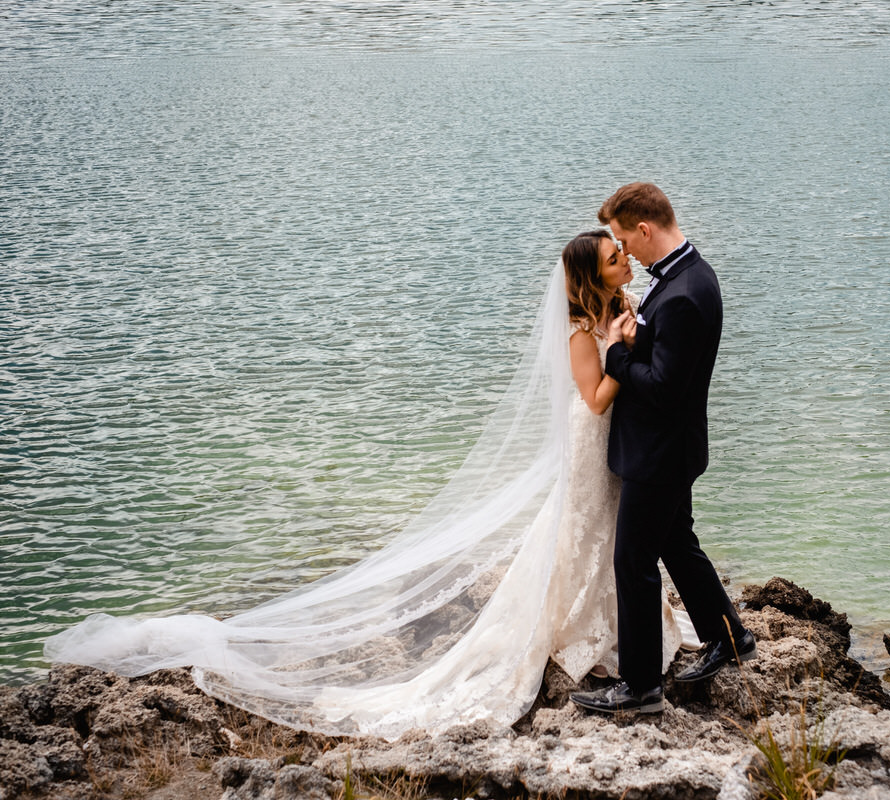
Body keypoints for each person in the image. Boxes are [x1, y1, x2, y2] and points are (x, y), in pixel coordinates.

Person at [44, 226, 693, 738]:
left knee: (611, 541)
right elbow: (598, 400)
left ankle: (621, 639)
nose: (624, 261)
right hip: (592, 446)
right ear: (592, 275)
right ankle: (589, 641)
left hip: (620, 453)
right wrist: (622, 352)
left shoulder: (620, 307)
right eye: (614, 258)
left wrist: (630, 340)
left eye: (621, 252)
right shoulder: (584, 333)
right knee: (585, 537)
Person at [571, 183, 756, 716]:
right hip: (668, 447)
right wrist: (635, 343)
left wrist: (616, 357)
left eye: (626, 240)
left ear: (645, 230)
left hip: (660, 452)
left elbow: (664, 387)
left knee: (633, 560)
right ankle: (730, 636)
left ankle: (641, 686)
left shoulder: (684, 293)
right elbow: (664, 361)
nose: (624, 252)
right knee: (677, 544)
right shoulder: (683, 276)